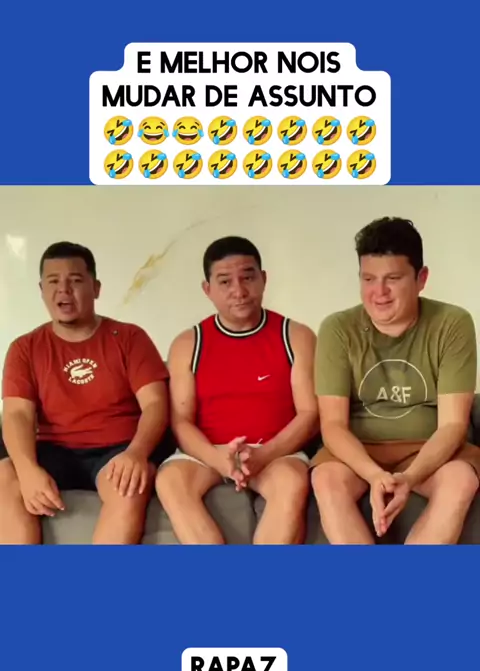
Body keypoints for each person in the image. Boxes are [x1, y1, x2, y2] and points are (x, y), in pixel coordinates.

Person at [311, 216, 480, 545]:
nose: (379, 293)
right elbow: (332, 425)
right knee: (326, 480)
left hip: (427, 448)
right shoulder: (337, 329)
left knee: (461, 479)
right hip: (358, 451)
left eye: (393, 279)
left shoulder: (452, 323)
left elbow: (453, 425)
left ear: (421, 279)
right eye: (368, 279)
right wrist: (374, 475)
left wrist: (409, 477)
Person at [0, 241, 173, 545]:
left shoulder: (129, 337)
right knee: (6, 474)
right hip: (54, 449)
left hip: (117, 449)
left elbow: (156, 403)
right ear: (42, 290)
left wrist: (137, 453)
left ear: (96, 288)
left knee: (127, 487)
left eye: (76, 281)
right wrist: (27, 471)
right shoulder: (25, 348)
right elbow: (16, 414)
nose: (64, 290)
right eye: (53, 282)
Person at [155, 236, 319, 545]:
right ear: (207, 289)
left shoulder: (296, 336)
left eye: (248, 278)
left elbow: (310, 413)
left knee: (291, 481)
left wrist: (264, 454)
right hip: (208, 452)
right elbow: (181, 420)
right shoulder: (188, 344)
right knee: (171, 481)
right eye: (225, 282)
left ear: (263, 279)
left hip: (275, 452)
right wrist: (219, 460)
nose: (239, 291)